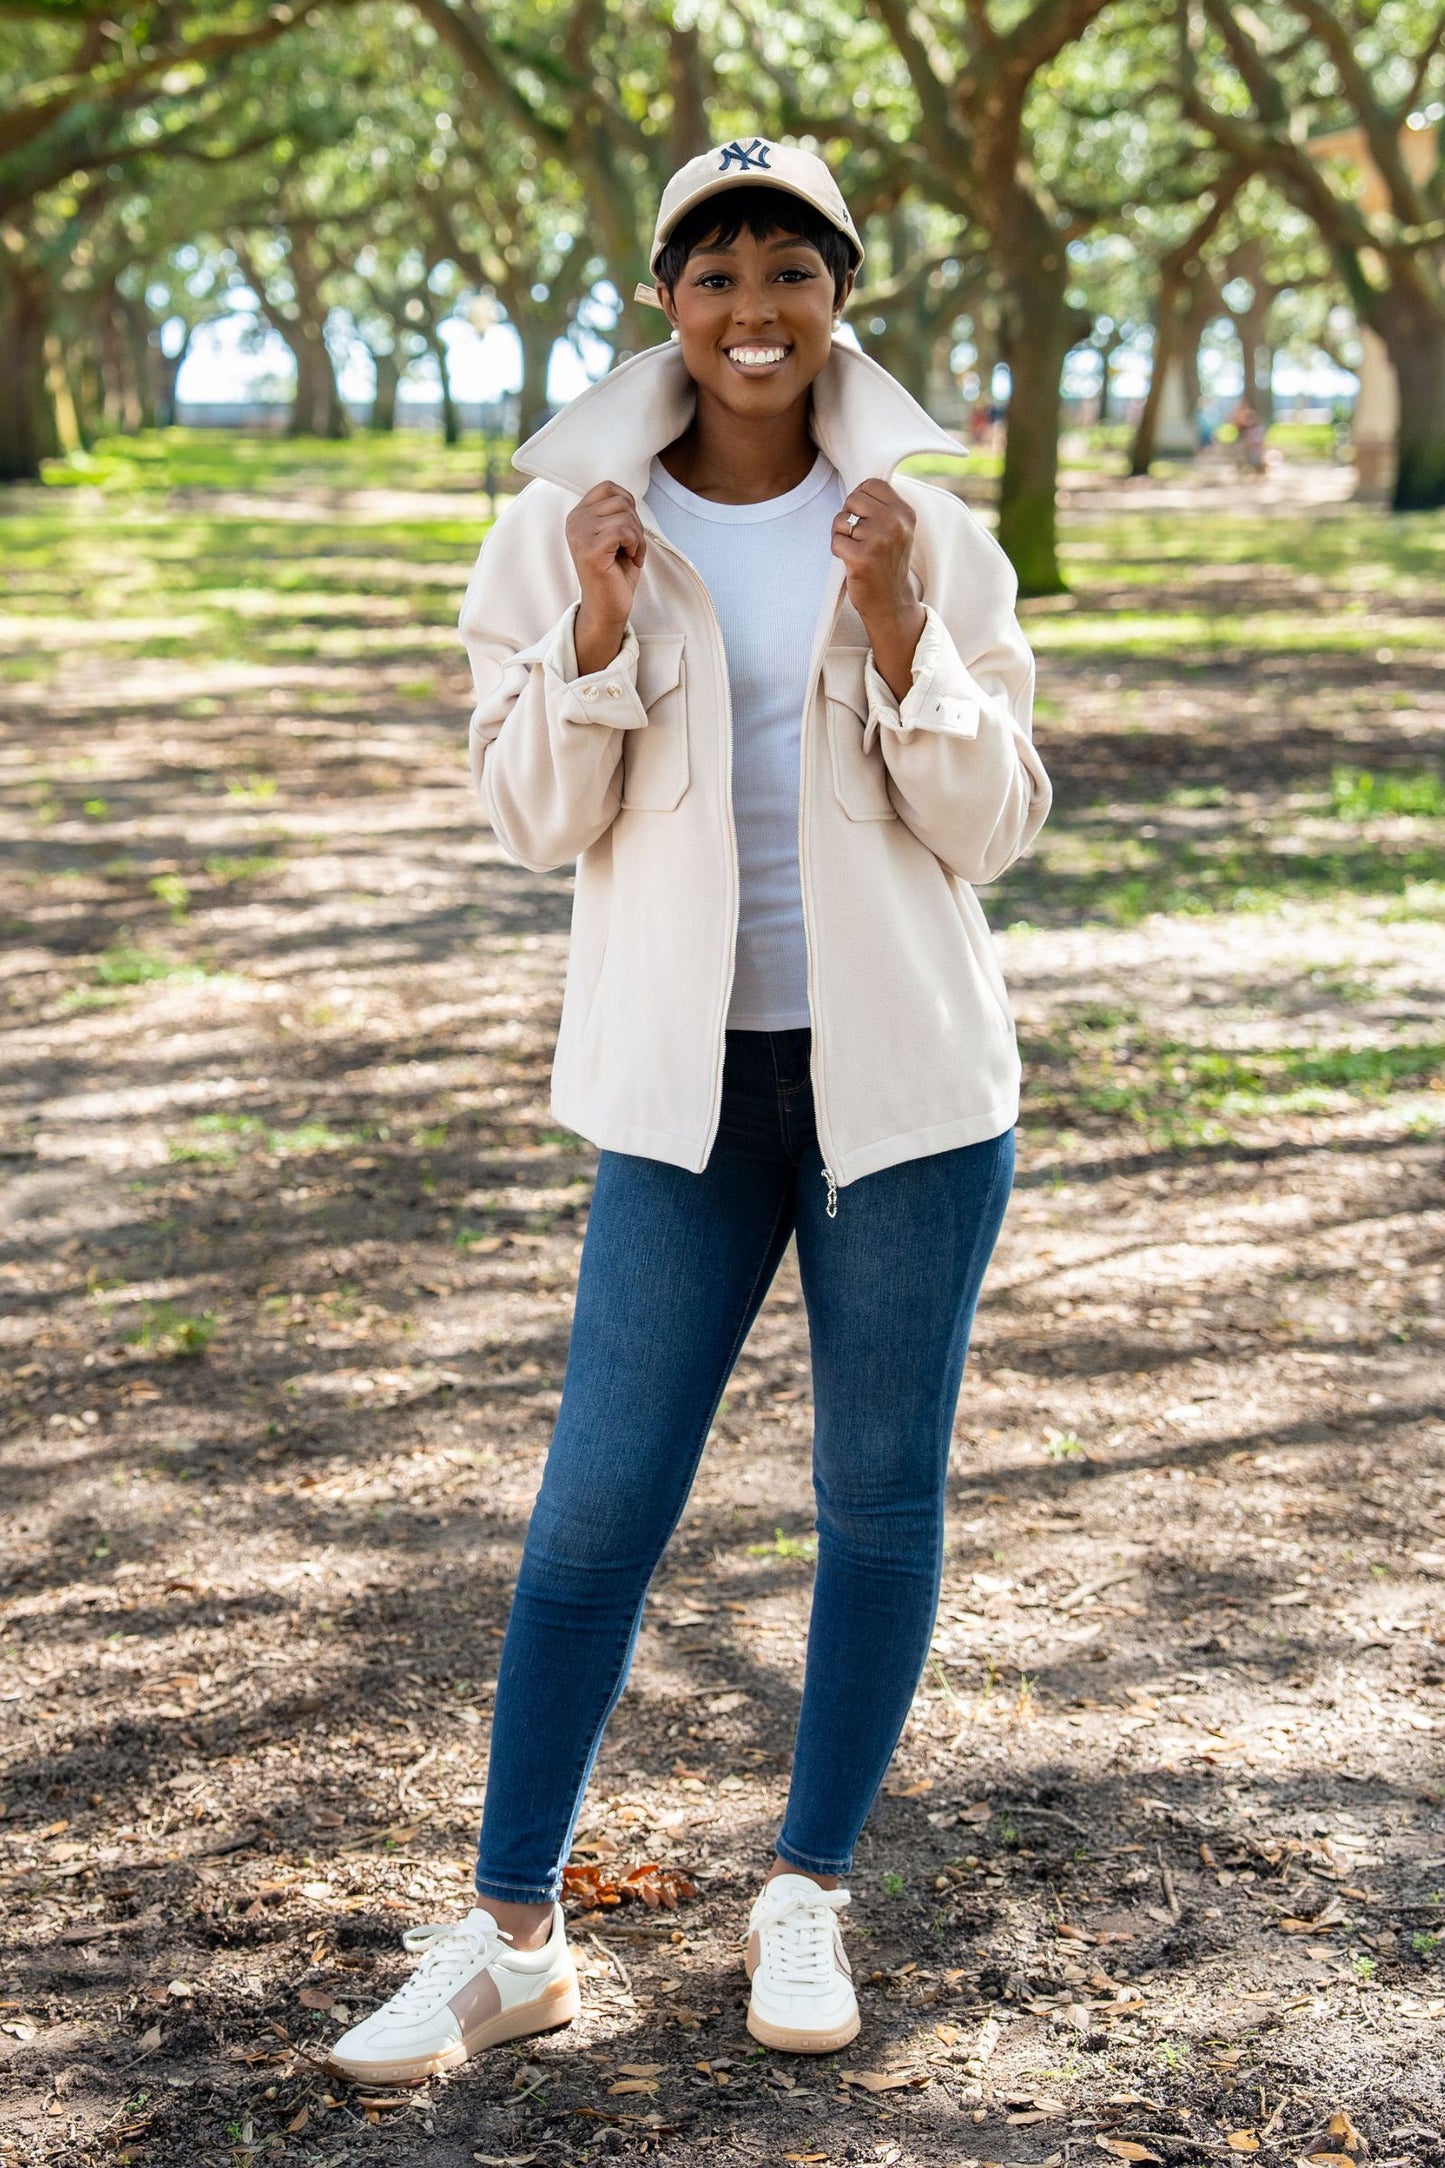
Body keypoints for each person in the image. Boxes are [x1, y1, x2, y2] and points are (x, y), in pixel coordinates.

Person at [327, 136, 1051, 2087]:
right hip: (683, 1090)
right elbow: (529, 820)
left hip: (904, 1090)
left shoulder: (924, 524)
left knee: (877, 1502)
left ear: (840, 296)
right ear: (666, 294)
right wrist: (582, 634)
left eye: (793, 272)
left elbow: (995, 830)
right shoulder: (573, 517)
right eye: (718, 270)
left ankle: (806, 1886)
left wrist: (902, 629)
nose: (757, 310)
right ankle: (508, 1934)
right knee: (591, 1521)